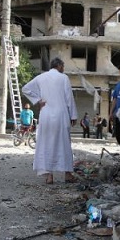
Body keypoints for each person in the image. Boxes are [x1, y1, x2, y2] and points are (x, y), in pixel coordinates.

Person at [22, 57, 78, 185]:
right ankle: (68, 174)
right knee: (64, 144)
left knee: (46, 144)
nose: (63, 69)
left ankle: (49, 176)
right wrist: (73, 115)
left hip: (46, 114)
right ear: (59, 66)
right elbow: (69, 97)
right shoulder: (64, 78)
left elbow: (25, 88)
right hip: (61, 115)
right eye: (63, 66)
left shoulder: (41, 77)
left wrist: (37, 101)